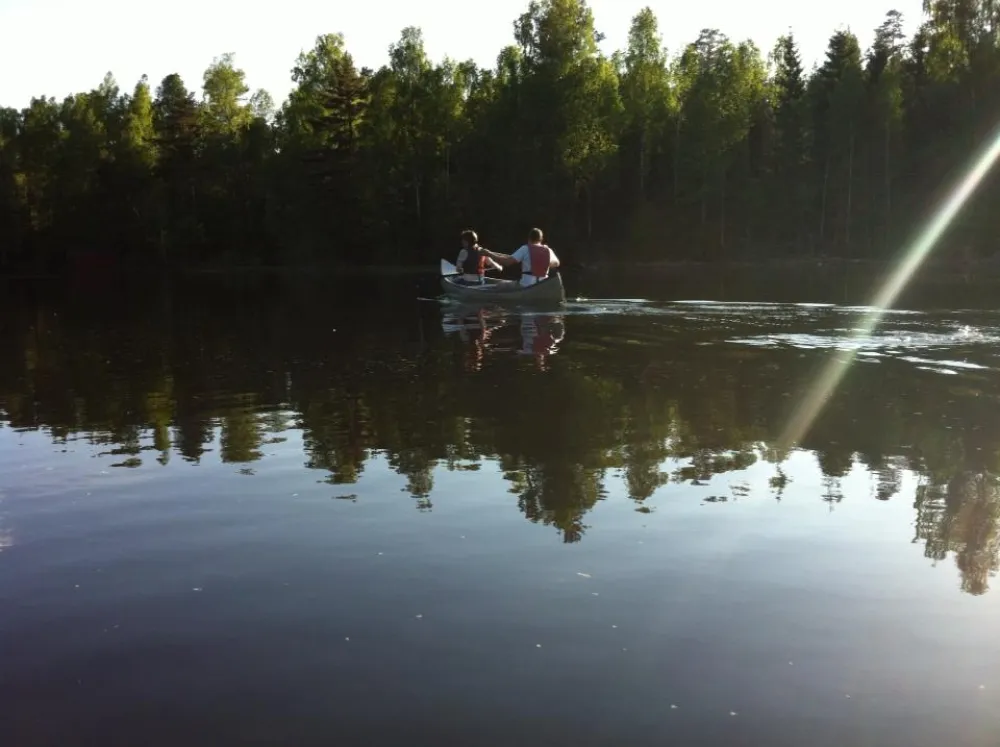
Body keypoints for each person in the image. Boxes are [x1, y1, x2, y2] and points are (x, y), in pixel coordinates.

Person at [483, 228, 560, 287]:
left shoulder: (525, 248)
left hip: (526, 285)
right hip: (543, 284)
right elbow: (557, 263)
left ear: (529, 238)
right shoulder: (548, 250)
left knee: (500, 285)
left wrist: (489, 254)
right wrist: (543, 262)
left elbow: (506, 262)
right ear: (541, 239)